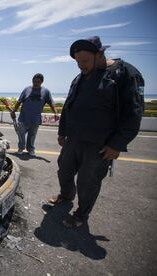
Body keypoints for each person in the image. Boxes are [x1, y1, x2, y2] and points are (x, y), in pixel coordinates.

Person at [49, 36, 144, 228]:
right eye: (77, 62)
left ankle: (81, 215)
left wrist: (117, 144)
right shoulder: (80, 77)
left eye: (84, 61)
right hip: (74, 138)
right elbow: (69, 104)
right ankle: (66, 196)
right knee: (64, 170)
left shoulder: (125, 74)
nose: (81, 66)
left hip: (99, 145)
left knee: (88, 181)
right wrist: (62, 131)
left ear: (99, 54)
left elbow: (134, 112)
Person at [11, 73, 59, 157]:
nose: (36, 83)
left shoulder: (46, 92)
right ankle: (21, 148)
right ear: (32, 80)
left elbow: (51, 103)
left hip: (35, 119)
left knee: (32, 136)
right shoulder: (26, 89)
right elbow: (19, 101)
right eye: (34, 81)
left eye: (38, 82)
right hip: (23, 117)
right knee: (21, 135)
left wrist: (55, 113)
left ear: (41, 82)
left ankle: (30, 149)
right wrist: (14, 110)